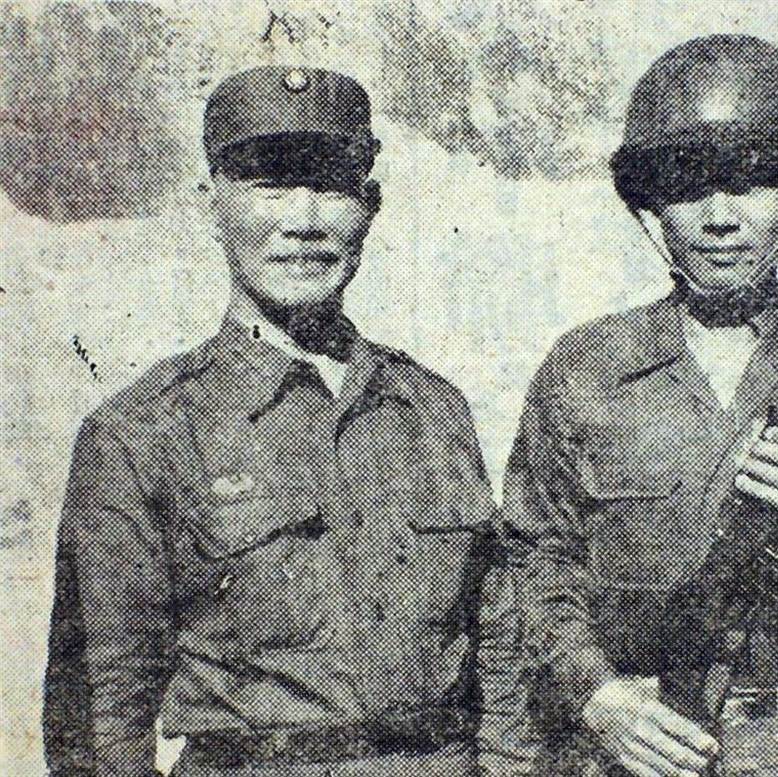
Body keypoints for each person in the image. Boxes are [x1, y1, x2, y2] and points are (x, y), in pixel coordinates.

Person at [503, 35, 778, 777]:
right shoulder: (584, 369)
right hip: (644, 746)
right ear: (650, 204)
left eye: (752, 182)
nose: (720, 217)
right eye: (687, 184)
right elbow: (532, 560)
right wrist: (595, 693)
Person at [44, 65, 501, 777]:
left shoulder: (433, 409)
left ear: (370, 206)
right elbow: (103, 709)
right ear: (211, 204)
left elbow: (501, 651)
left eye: (332, 187)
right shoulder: (141, 432)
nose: (305, 221)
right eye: (271, 186)